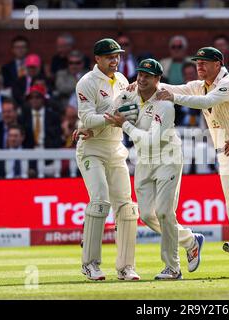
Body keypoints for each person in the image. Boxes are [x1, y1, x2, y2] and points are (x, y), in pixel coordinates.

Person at [156, 47, 229, 269]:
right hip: (224, 151)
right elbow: (170, 86)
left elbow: (206, 102)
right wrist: (140, 84)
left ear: (218, 64)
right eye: (197, 63)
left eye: (204, 63)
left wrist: (173, 98)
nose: (199, 66)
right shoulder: (198, 85)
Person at [106, 59, 204, 280]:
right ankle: (190, 241)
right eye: (139, 75)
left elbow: (151, 141)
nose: (142, 79)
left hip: (167, 158)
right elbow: (112, 110)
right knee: (148, 215)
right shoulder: (131, 92)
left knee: (164, 212)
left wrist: (125, 125)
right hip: (144, 160)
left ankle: (172, 268)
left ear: (158, 80)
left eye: (147, 76)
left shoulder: (164, 104)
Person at [75, 38, 140, 281]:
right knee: (100, 200)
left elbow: (129, 112)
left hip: (115, 148)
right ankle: (90, 264)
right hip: (91, 149)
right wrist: (113, 116)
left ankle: (126, 267)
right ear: (97, 59)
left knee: (127, 207)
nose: (115, 61)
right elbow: (88, 120)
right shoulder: (86, 83)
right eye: (110, 57)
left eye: (117, 56)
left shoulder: (122, 80)